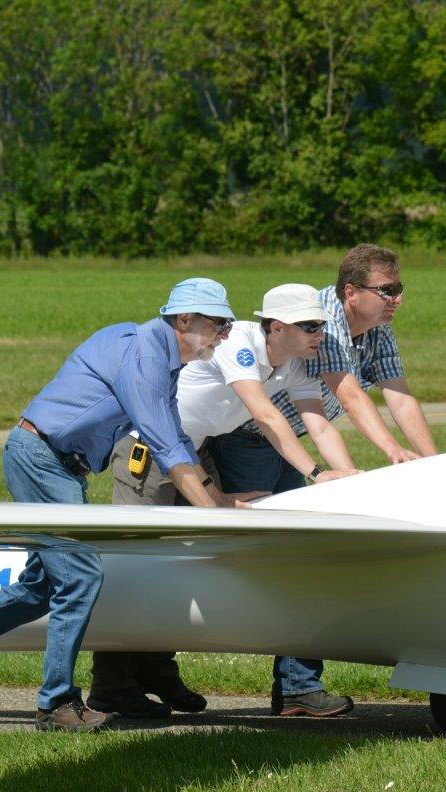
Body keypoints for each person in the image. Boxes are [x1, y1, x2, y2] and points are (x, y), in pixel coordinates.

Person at [0, 278, 261, 732]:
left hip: (57, 465)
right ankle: (56, 705)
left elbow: (177, 439)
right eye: (220, 323)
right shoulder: (145, 357)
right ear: (185, 320)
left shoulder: (161, 358)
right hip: (42, 459)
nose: (226, 334)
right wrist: (218, 521)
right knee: (80, 576)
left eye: (228, 325)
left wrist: (220, 501)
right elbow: (165, 449)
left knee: (39, 590)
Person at [88, 284, 361, 719]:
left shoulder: (294, 365)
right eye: (309, 326)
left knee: (186, 565)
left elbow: (320, 424)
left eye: (321, 325)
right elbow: (266, 416)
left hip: (193, 452)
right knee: (137, 562)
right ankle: (111, 686)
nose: (319, 334)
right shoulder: (240, 343)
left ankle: (157, 670)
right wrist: (314, 473)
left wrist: (346, 479)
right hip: (150, 452)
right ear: (276, 327)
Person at [222, 245, 437, 715]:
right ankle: (294, 686)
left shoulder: (377, 329)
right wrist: (392, 452)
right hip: (247, 440)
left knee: (304, 556)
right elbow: (350, 394)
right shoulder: (323, 324)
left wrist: (434, 463)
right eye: (388, 290)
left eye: (400, 289)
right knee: (274, 559)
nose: (398, 299)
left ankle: (297, 688)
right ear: (351, 292)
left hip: (292, 439)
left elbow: (399, 395)